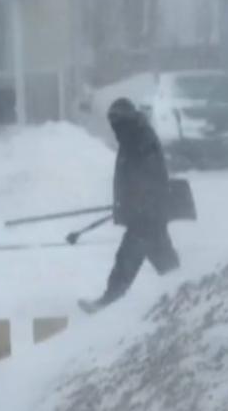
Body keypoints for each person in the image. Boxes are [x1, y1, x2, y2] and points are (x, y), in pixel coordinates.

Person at [79, 98, 180, 313]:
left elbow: (151, 177)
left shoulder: (141, 138)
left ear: (125, 120)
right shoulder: (132, 137)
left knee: (127, 258)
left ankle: (109, 301)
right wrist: (125, 203)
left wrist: (140, 204)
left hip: (147, 214)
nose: (114, 128)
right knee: (164, 260)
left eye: (116, 122)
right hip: (145, 213)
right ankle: (185, 291)